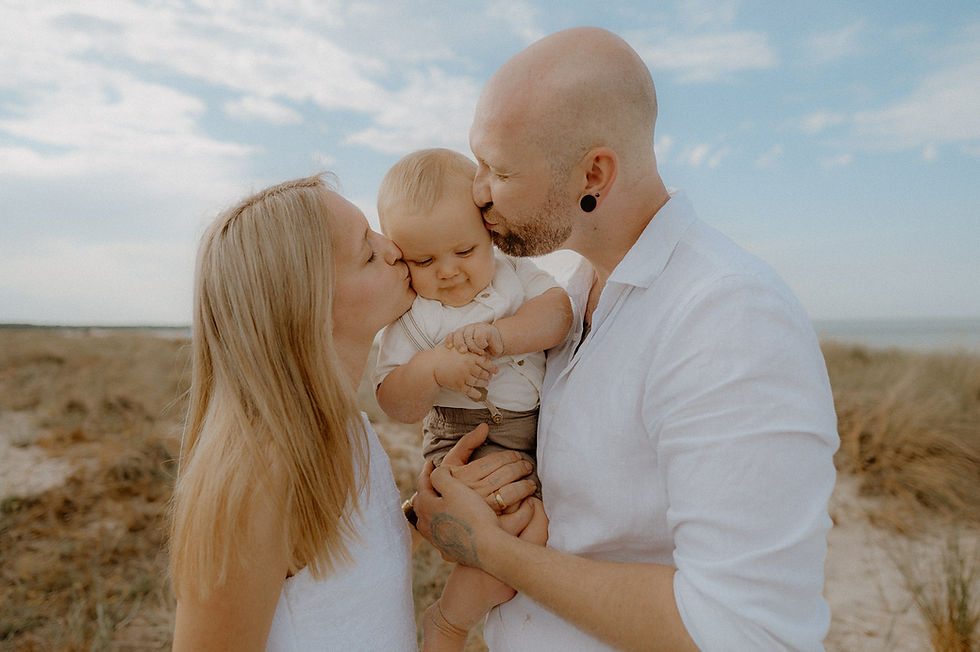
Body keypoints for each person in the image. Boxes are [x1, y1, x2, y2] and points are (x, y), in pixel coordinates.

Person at [414, 26, 839, 652]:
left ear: (593, 173)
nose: (476, 193)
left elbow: (743, 631)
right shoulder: (572, 296)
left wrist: (490, 552)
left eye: (497, 171)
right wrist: (460, 497)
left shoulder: (727, 315)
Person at [168, 174, 543, 650]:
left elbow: (336, 579)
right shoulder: (254, 478)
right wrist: (447, 626)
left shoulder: (346, 430)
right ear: (308, 303)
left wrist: (423, 515)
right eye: (367, 252)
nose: (394, 250)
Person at [373, 148, 572, 498]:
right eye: (423, 260)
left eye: (465, 252)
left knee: (556, 514)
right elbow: (394, 402)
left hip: (544, 432)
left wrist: (503, 335)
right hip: (464, 443)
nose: (448, 271)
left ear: (489, 234)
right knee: (504, 512)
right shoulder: (414, 315)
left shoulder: (513, 273)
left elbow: (558, 315)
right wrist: (431, 368)